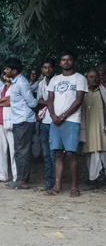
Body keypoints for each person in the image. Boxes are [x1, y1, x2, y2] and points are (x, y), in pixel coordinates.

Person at [45, 51, 88, 197]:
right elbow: (50, 99)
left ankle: (75, 187)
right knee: (57, 153)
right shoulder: (55, 80)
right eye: (63, 60)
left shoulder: (80, 78)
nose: (66, 62)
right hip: (55, 120)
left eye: (69, 60)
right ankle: (57, 186)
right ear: (60, 62)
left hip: (71, 120)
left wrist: (63, 116)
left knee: (71, 153)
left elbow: (79, 100)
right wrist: (52, 115)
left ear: (74, 61)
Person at [3, 57, 37, 190]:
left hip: (24, 120)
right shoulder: (15, 82)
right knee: (18, 150)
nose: (5, 71)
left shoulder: (22, 82)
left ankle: (23, 180)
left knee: (22, 151)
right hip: (17, 120)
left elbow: (32, 102)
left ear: (14, 71)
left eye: (7, 69)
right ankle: (19, 178)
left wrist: (35, 112)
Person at [81, 70, 106, 190]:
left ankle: (98, 178)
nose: (94, 79)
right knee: (89, 154)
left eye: (96, 77)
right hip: (87, 129)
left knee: (102, 152)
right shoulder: (83, 93)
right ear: (87, 78)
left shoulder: (104, 92)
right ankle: (92, 178)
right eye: (91, 77)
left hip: (102, 130)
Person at [36, 58, 56, 191]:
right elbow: (39, 100)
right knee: (46, 154)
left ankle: (56, 180)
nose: (47, 70)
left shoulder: (59, 81)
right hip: (44, 121)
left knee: (55, 153)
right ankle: (49, 180)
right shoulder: (41, 84)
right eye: (44, 67)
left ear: (53, 68)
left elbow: (57, 100)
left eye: (49, 67)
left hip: (56, 121)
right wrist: (50, 101)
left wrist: (47, 101)